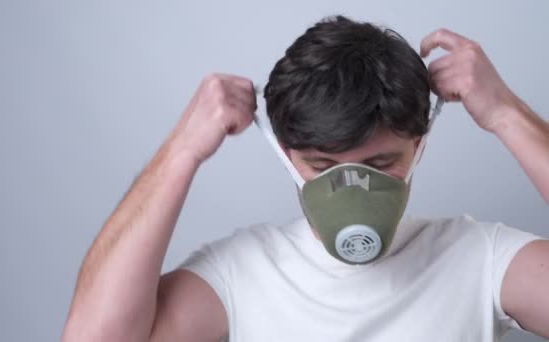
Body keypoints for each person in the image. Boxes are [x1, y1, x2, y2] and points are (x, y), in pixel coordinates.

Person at [61, 16, 549, 341]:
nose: (353, 190)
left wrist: (507, 115)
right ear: (286, 155)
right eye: (322, 167)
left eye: (379, 167)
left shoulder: (479, 259)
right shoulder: (241, 274)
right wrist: (182, 150)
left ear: (419, 146)